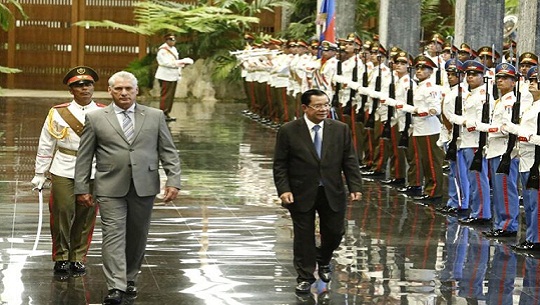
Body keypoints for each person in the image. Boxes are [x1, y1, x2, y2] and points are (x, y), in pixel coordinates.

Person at [74, 71, 181, 304]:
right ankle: (116, 286)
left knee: (137, 235)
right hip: (110, 185)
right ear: (110, 91)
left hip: (144, 185)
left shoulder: (155, 116)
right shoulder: (96, 118)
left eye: (128, 89)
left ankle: (130, 278)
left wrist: (173, 180)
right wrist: (82, 187)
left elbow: (168, 151)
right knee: (112, 235)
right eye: (119, 89)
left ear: (136, 91)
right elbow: (84, 156)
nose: (124, 93)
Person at [273, 89, 363, 294]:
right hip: (300, 191)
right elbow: (280, 164)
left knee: (335, 232)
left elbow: (349, 160)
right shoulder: (288, 130)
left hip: (332, 190)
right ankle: (304, 276)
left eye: (326, 105)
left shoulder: (340, 129)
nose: (323, 109)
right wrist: (283, 189)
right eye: (318, 106)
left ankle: (323, 259)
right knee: (303, 236)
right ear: (305, 108)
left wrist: (355, 186)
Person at [31, 66, 104, 276]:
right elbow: (47, 143)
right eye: (78, 85)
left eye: (88, 84)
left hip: (93, 168)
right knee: (62, 211)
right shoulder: (58, 112)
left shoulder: (104, 111)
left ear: (93, 87)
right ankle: (61, 256)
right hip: (64, 166)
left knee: (87, 213)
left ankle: (78, 257)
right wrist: (40, 173)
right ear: (71, 90)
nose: (84, 88)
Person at [154, 33, 193, 121]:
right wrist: (180, 62)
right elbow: (164, 63)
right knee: (165, 95)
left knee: (171, 95)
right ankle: (162, 113)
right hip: (165, 75)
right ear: (167, 41)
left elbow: (175, 61)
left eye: (174, 40)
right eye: (171, 40)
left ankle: (167, 112)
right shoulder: (162, 51)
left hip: (173, 75)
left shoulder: (173, 49)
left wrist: (180, 67)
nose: (173, 42)